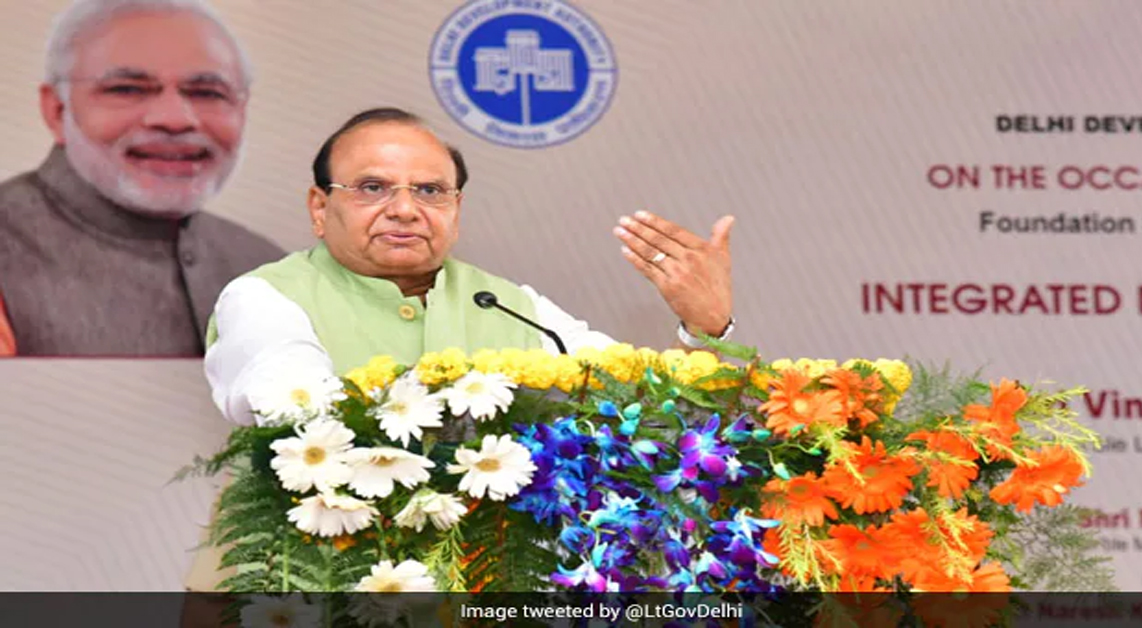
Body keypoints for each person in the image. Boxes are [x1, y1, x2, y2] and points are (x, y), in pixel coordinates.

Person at [205, 107, 736, 427]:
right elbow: (298, 411)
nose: (405, 209)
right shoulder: (264, 297)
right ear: (320, 208)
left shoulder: (510, 305)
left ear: (456, 210)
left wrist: (703, 330)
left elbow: (639, 411)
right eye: (372, 187)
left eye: (430, 191)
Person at [0, 0, 283, 356]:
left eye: (207, 93)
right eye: (127, 89)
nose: (175, 119)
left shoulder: (266, 268)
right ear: (57, 110)